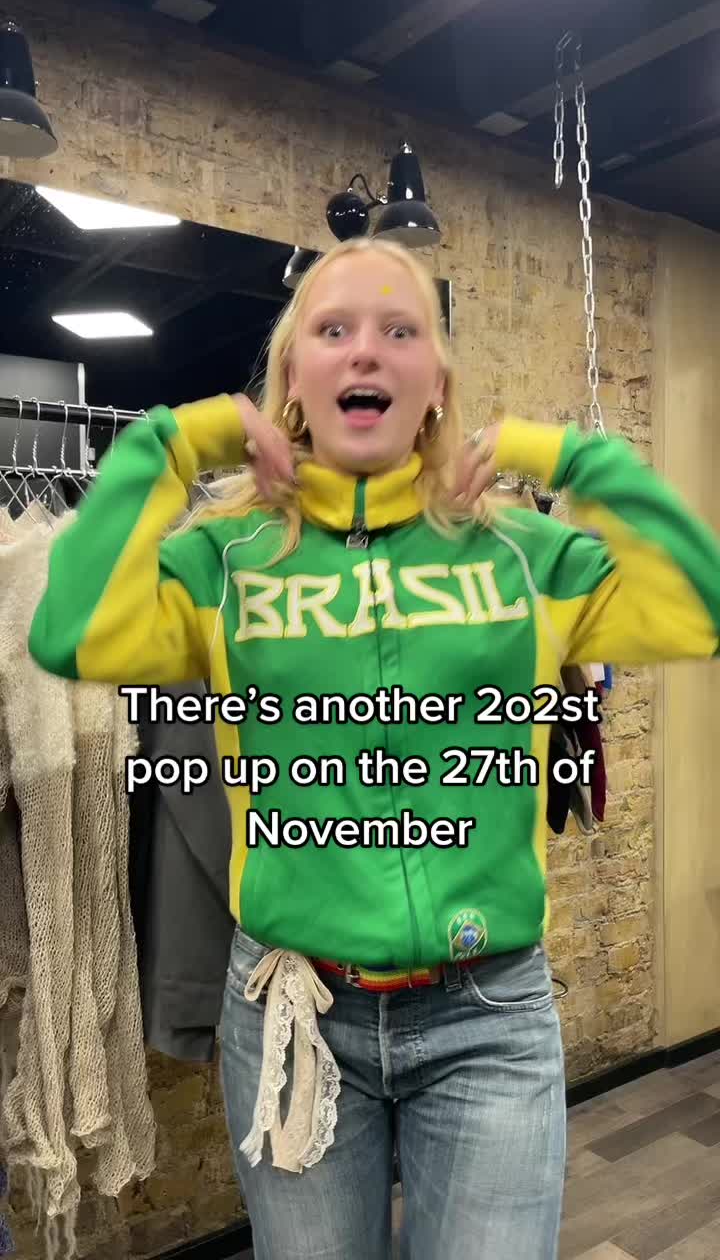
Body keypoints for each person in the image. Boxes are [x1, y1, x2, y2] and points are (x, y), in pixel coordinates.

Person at [28, 236, 720, 1260]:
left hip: (489, 1017)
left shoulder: (523, 554)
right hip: (295, 1008)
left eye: (401, 330)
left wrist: (573, 459)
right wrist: (173, 444)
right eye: (334, 329)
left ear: (436, 384)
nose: (366, 350)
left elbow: (698, 607)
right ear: (294, 379)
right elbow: (70, 631)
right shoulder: (226, 559)